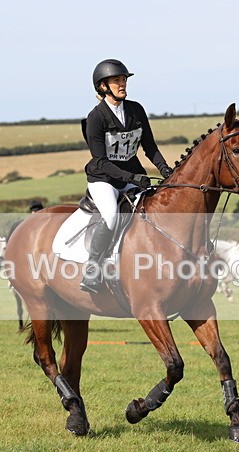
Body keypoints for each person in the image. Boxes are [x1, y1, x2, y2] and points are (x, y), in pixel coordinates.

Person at [80, 59, 174, 294]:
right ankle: (92, 269)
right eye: (116, 80)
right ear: (103, 87)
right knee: (111, 217)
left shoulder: (136, 109)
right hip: (104, 180)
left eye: (123, 80)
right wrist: (131, 178)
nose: (122, 84)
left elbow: (149, 146)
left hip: (133, 177)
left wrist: (165, 170)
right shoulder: (96, 118)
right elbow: (100, 161)